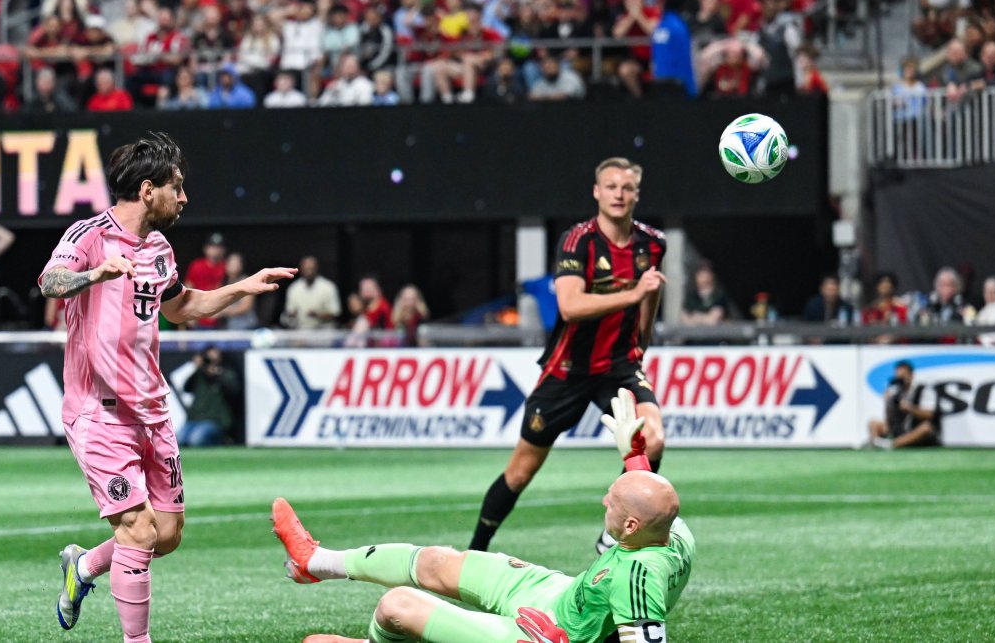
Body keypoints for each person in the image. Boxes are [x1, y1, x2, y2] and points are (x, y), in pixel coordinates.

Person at [39, 132, 295, 642]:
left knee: (168, 535)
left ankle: (85, 566)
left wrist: (240, 288)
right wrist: (94, 274)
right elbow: (49, 282)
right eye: (177, 187)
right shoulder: (88, 235)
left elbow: (179, 308)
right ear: (148, 189)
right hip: (99, 412)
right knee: (137, 531)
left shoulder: (159, 247)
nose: (184, 198)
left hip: (152, 410)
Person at [275, 388, 693, 643]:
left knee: (395, 605)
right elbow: (651, 498)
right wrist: (634, 456)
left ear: (632, 526)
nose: (605, 501)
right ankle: (315, 561)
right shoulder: (672, 531)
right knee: (438, 561)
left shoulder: (639, 579)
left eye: (613, 503)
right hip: (557, 594)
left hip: (547, 635)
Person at [470, 157, 667, 555]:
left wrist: (642, 339)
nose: (619, 194)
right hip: (566, 370)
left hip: (619, 367)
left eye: (626, 187)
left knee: (654, 439)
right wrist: (634, 293)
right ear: (597, 192)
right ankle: (475, 550)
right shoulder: (578, 241)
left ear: (637, 194)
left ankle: (613, 535)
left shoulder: (653, 243)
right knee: (521, 471)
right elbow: (570, 307)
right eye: (610, 186)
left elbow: (651, 293)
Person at [867, 361, 940, 449]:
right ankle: (877, 443)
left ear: (911, 375)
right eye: (899, 377)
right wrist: (888, 402)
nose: (901, 379)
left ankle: (893, 444)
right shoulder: (895, 391)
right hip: (901, 429)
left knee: (926, 428)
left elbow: (929, 414)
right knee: (873, 423)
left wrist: (910, 409)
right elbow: (889, 419)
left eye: (904, 376)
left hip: (916, 429)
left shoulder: (924, 390)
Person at [182, 346, 242, 445]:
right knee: (179, 439)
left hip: (215, 420)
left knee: (196, 440)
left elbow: (234, 392)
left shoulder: (226, 373)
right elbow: (186, 388)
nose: (211, 362)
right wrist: (197, 369)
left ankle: (223, 440)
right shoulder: (199, 375)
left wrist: (218, 375)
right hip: (195, 419)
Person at [283, 256, 341, 329]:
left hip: (324, 330)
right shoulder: (294, 288)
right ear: (301, 269)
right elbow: (290, 312)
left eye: (311, 269)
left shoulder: (328, 287)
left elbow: (335, 313)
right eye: (306, 269)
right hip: (301, 331)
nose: (309, 272)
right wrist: (292, 314)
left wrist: (318, 314)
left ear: (317, 268)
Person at [185, 233, 227, 329]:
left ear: (223, 250)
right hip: (199, 317)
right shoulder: (197, 265)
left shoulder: (227, 267)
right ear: (206, 248)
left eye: (218, 247)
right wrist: (189, 314)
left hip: (220, 319)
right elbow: (188, 290)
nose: (215, 250)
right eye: (212, 246)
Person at [219, 253, 259, 330]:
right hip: (230, 328)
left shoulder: (247, 281)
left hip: (247, 327)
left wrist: (222, 311)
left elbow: (245, 307)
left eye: (236, 263)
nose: (233, 265)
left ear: (241, 265)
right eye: (231, 263)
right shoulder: (224, 282)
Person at [974, 276, 995, 346]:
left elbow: (992, 322)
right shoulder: (983, 310)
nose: (990, 295)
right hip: (985, 347)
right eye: (987, 292)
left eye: (993, 292)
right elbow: (975, 328)